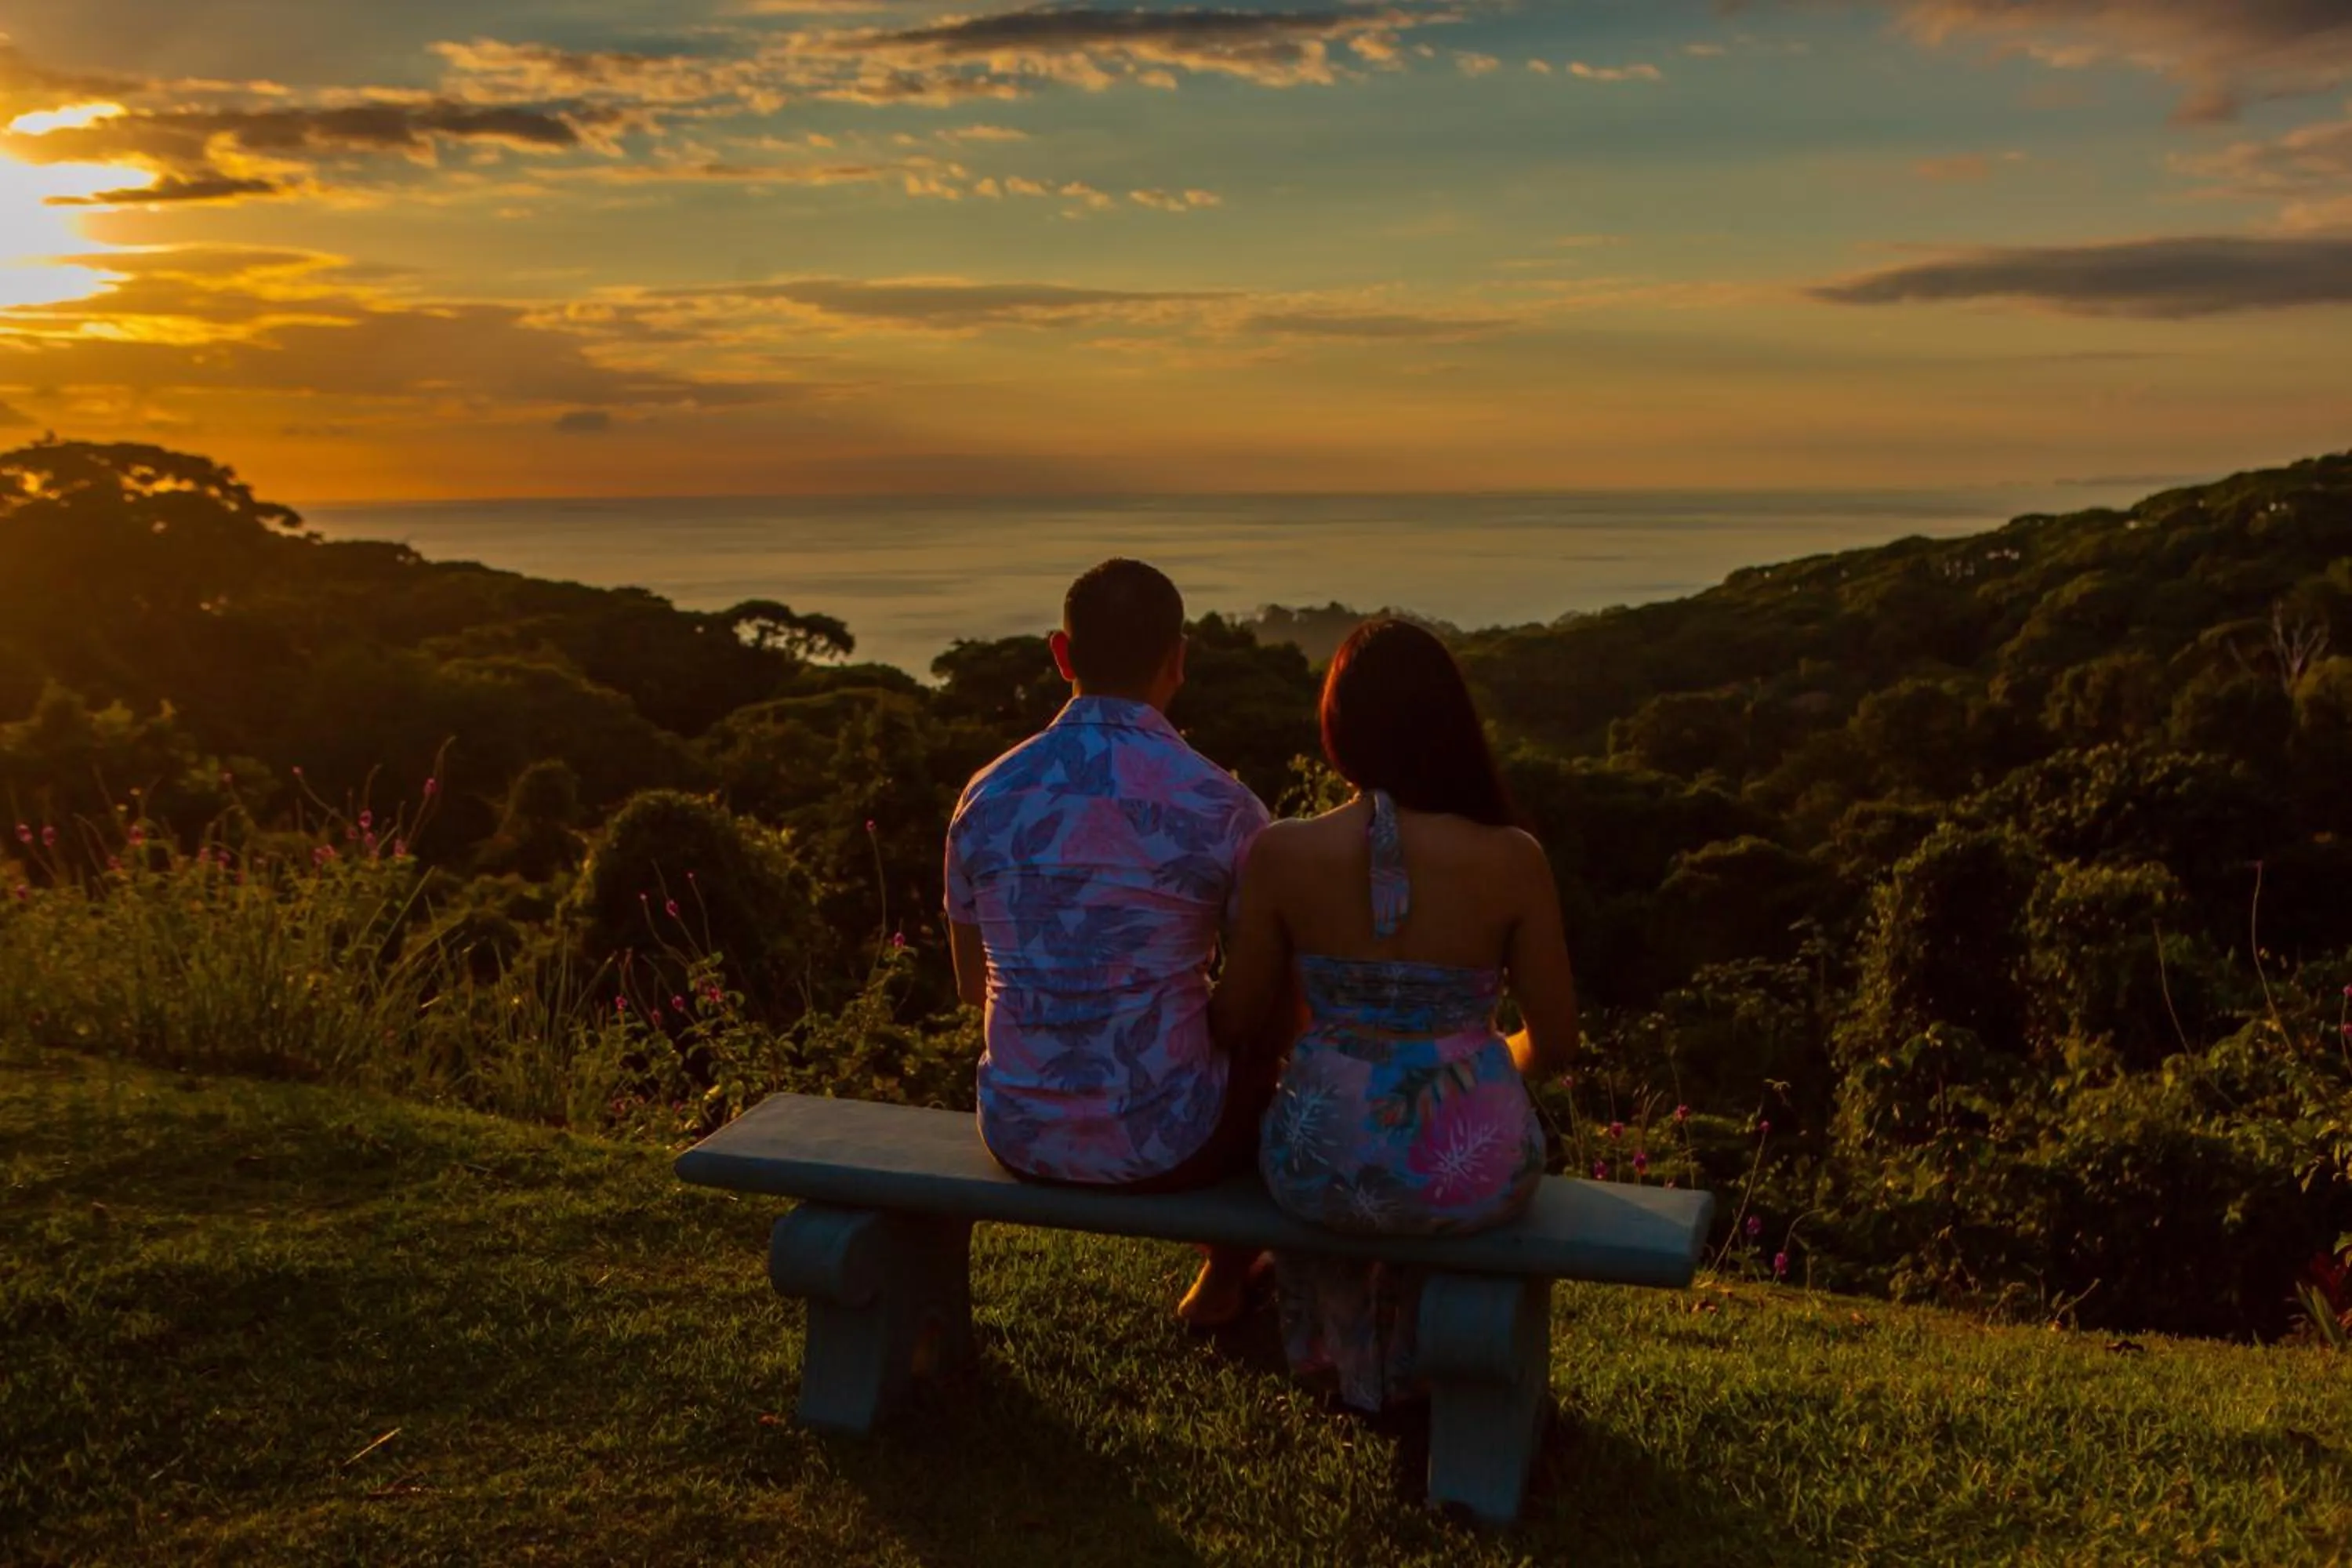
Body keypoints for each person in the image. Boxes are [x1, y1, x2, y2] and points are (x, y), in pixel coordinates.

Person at [1208, 617, 1580, 1410]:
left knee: (1337, 1152)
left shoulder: (1281, 853)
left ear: (1338, 727)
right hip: (1470, 1171)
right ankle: (1429, 1361)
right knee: (1443, 1166)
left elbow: (1235, 1020)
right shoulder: (1514, 858)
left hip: (1318, 1167)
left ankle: (1338, 1346)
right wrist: (1469, 1063)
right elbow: (1557, 1042)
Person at [945, 558, 1276, 1326]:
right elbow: (1256, 1001)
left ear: (1061, 654)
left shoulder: (986, 793)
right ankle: (1223, 1279)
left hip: (1019, 1131)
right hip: (1174, 1144)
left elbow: (971, 986)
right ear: (1178, 660)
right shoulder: (1223, 805)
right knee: (1264, 1034)